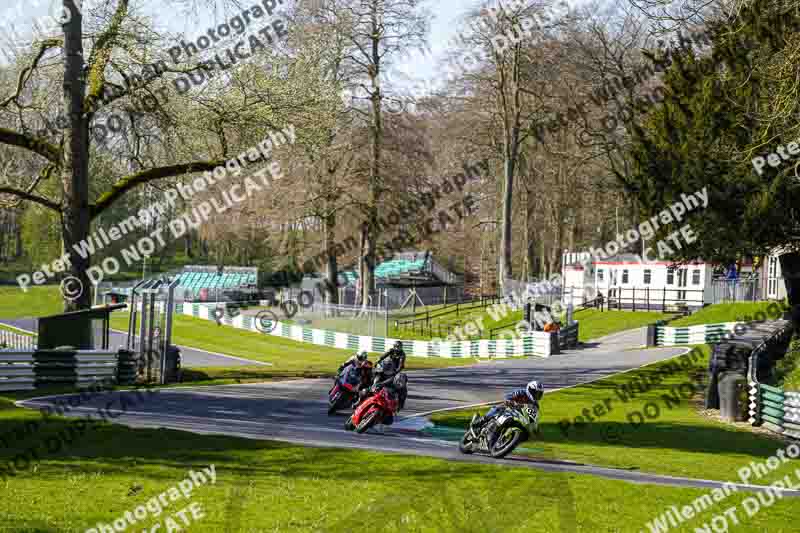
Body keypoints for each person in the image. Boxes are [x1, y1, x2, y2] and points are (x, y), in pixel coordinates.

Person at [471, 380, 544, 446]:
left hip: (518, 416)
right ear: (530, 390)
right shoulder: (521, 392)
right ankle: (482, 420)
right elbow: (508, 397)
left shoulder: (535, 405)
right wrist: (510, 401)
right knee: (499, 407)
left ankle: (506, 442)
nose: (537, 396)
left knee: (526, 434)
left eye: (539, 394)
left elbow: (534, 416)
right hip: (509, 409)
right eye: (535, 393)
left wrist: (535, 428)